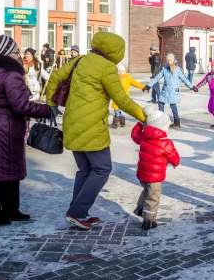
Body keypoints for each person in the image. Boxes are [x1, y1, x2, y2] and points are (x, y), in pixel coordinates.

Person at [46, 32, 146, 230]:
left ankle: (78, 213)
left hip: (72, 122)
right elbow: (122, 100)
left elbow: (56, 76)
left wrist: (51, 103)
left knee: (85, 169)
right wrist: (145, 117)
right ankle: (76, 211)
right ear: (114, 51)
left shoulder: (80, 60)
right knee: (102, 169)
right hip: (91, 127)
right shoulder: (107, 68)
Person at [0, 35, 53, 226]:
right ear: (6, 53)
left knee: (9, 167)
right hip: (6, 125)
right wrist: (48, 110)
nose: (19, 54)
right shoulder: (10, 75)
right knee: (0, 171)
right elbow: (21, 106)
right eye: (16, 51)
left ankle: (10, 209)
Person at [131, 105, 180, 230]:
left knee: (147, 191)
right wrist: (175, 163)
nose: (168, 129)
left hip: (142, 174)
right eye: (167, 126)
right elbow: (172, 155)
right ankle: (148, 220)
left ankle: (141, 209)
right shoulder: (165, 141)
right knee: (153, 196)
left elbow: (135, 135)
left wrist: (141, 124)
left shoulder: (144, 136)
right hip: (155, 176)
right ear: (162, 127)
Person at [144, 53, 197, 129]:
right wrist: (149, 85)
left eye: (170, 60)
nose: (169, 61)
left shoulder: (178, 69)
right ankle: (161, 120)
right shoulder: (164, 69)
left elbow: (184, 79)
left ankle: (176, 122)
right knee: (160, 103)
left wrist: (191, 87)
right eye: (168, 60)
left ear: (173, 60)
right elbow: (157, 78)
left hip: (173, 92)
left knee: (173, 106)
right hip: (165, 90)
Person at [112, 64, 144, 128]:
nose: (121, 73)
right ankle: (121, 121)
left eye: (123, 71)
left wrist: (143, 87)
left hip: (125, 97)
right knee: (116, 109)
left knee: (117, 110)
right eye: (120, 71)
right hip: (117, 96)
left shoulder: (128, 78)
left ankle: (116, 122)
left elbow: (135, 83)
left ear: (125, 71)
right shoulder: (116, 78)